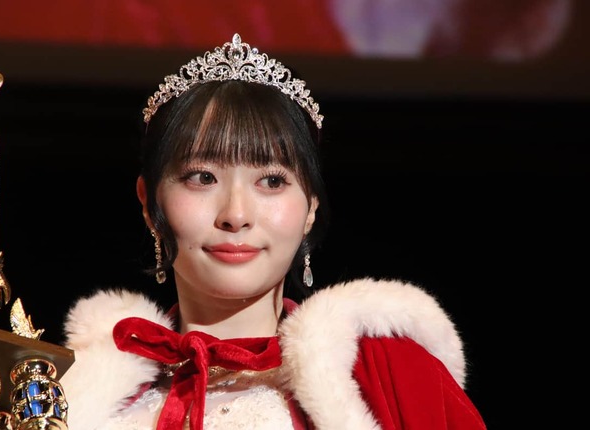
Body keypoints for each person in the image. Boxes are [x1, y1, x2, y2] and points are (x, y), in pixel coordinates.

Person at [58, 33, 487, 430]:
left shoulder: (389, 372)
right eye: (203, 178)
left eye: (272, 181)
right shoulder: (73, 395)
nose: (236, 214)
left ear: (310, 208)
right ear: (149, 203)